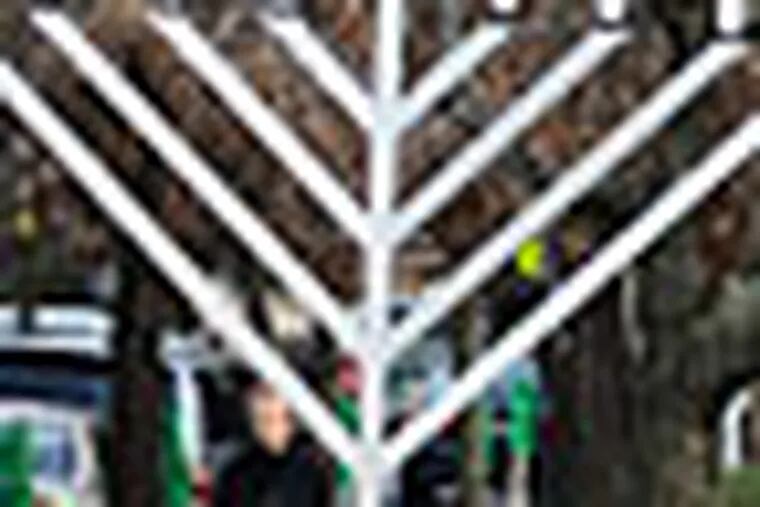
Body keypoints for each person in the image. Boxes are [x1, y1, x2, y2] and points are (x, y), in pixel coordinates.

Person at [213, 378, 331, 507]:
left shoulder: (312, 469)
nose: (279, 428)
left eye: (286, 417)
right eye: (267, 420)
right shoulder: (235, 474)